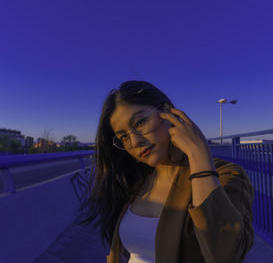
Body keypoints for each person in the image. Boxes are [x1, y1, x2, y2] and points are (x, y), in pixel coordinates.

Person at [80, 80, 254, 263]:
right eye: (124, 136)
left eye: (140, 122)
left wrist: (198, 154)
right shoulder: (137, 181)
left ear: (168, 112)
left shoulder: (226, 175)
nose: (135, 141)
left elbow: (226, 256)